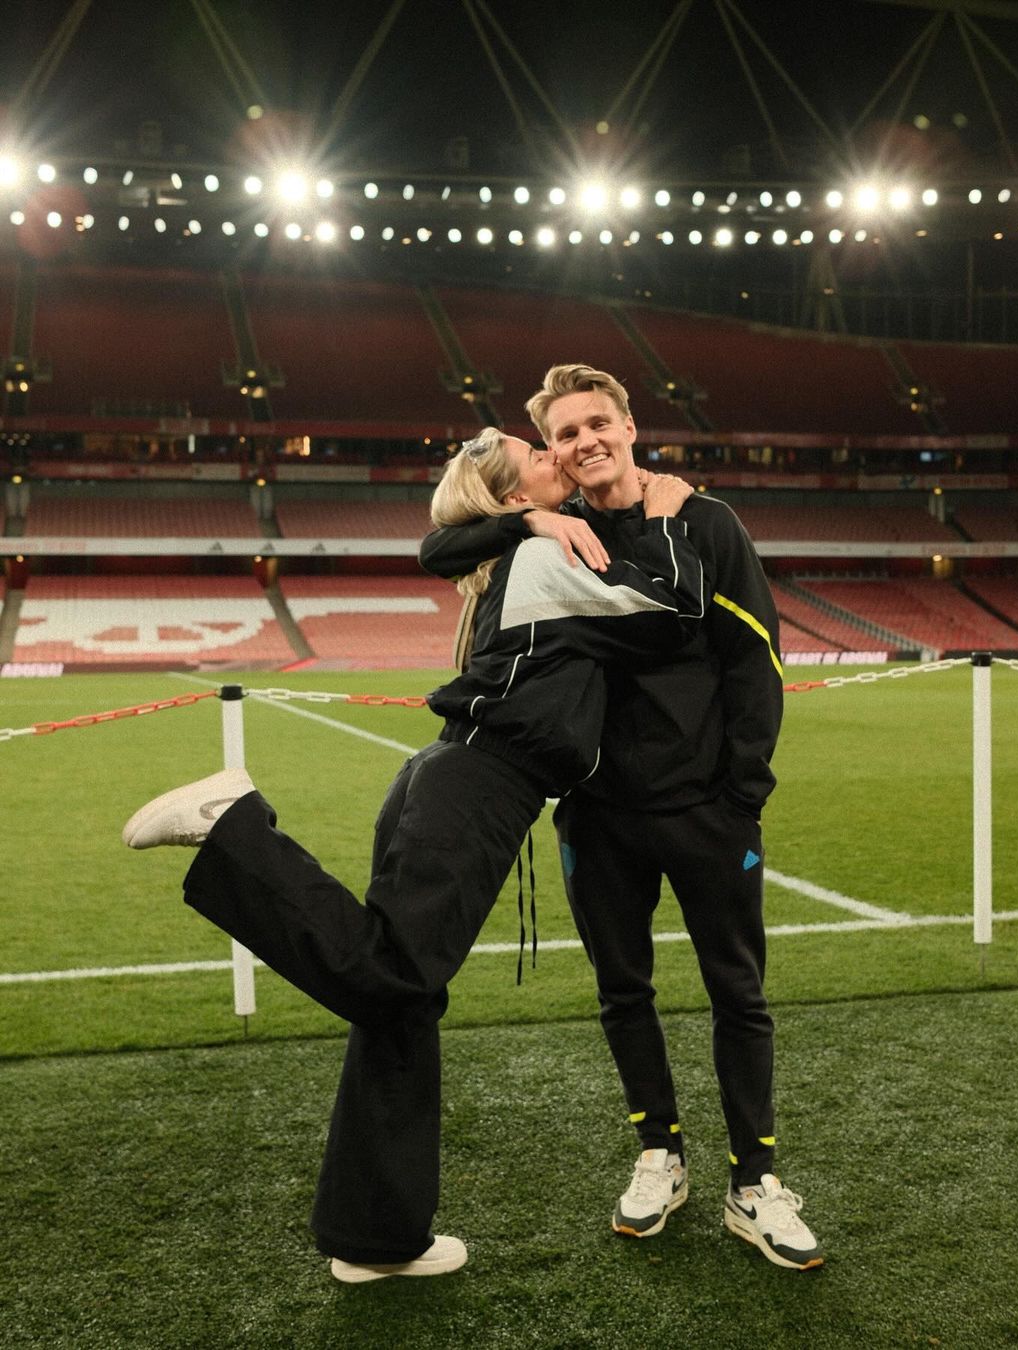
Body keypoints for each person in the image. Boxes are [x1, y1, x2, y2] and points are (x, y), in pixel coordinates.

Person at [122, 426, 703, 1284]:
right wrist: (670, 517)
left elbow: (448, 539)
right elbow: (672, 613)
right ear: (515, 499)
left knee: (401, 1006)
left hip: (447, 776)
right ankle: (234, 828)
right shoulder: (547, 559)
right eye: (541, 456)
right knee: (394, 976)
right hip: (479, 785)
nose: (559, 455)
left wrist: (536, 521)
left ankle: (374, 1236)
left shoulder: (529, 547)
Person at [420, 366, 823, 1271]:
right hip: (599, 817)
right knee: (622, 992)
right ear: (553, 454)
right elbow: (441, 544)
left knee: (739, 993)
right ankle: (660, 1156)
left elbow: (754, 664)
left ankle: (755, 1182)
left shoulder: (706, 523)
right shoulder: (558, 533)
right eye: (564, 434)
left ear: (631, 426)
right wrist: (528, 515)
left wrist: (741, 795)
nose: (583, 442)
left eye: (597, 422)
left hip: (709, 813)